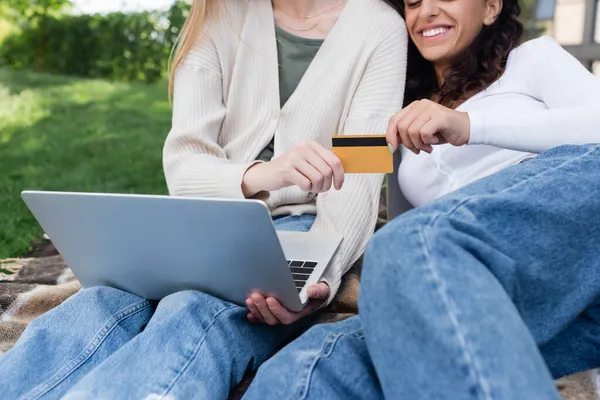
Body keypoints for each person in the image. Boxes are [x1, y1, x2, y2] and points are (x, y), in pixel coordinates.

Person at [0, 0, 407, 399]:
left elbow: (359, 174)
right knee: (98, 301)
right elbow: (184, 164)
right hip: (201, 214)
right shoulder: (219, 12)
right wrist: (259, 175)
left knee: (195, 310)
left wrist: (319, 275)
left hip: (303, 222)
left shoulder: (378, 27)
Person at [242, 0, 600, 398]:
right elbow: (409, 237)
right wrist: (309, 286)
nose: (425, 11)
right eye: (412, 2)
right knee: (306, 368)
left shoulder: (532, 60)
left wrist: (469, 124)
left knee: (408, 242)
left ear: (491, 8)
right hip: (509, 297)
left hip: (575, 236)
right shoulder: (404, 116)